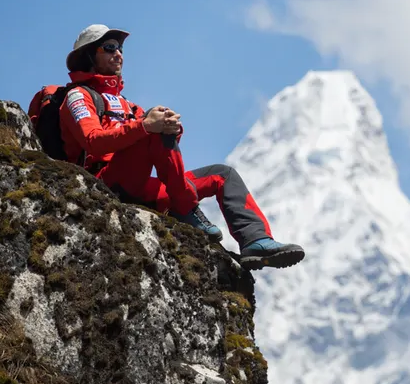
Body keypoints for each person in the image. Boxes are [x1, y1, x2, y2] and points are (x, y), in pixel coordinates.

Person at [58, 23, 305, 270]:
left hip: (145, 187)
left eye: (120, 48)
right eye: (109, 47)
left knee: (222, 175)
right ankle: (186, 208)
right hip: (104, 183)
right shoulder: (79, 96)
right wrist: (146, 127)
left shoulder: (127, 105)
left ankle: (256, 241)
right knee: (151, 130)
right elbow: (93, 141)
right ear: (89, 55)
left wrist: (172, 129)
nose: (118, 53)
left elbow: (160, 146)